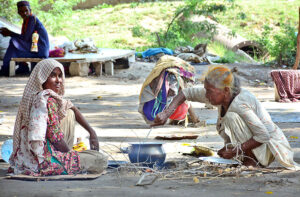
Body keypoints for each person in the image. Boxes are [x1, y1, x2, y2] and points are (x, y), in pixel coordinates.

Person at [153, 65, 300, 170]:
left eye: (209, 91)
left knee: (231, 117)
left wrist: (235, 150)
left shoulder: (240, 103)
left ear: (226, 91)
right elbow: (186, 93)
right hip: (258, 144)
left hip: (270, 148)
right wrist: (166, 113)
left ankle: (252, 162)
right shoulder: (218, 94)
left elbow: (263, 135)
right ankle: (245, 158)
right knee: (229, 118)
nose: (207, 95)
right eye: (206, 90)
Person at [9, 59, 107, 176]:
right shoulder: (46, 100)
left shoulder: (34, 97)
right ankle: (66, 162)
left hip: (28, 158)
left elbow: (71, 106)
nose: (58, 81)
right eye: (53, 76)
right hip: (45, 161)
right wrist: (70, 156)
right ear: (42, 78)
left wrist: (92, 132)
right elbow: (56, 138)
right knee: (100, 159)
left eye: (60, 76)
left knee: (69, 112)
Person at [0, 1, 49, 76]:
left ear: (30, 10)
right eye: (21, 11)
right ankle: (21, 67)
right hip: (34, 49)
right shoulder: (26, 21)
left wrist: (10, 33)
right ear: (18, 12)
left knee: (13, 42)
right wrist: (10, 33)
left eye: (26, 11)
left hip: (39, 51)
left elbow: (25, 38)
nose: (24, 13)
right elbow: (25, 38)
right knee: (14, 45)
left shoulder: (32, 19)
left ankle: (7, 69)